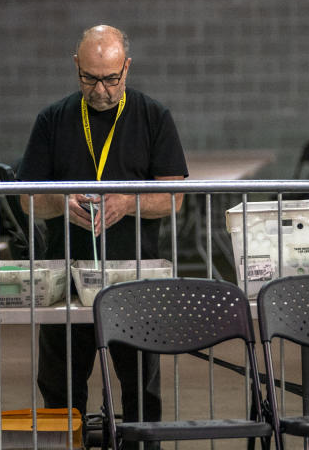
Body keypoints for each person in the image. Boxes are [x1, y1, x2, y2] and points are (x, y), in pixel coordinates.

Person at [17, 24, 188, 435]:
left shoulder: (153, 117)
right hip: (67, 278)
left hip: (134, 278)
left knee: (141, 394)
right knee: (61, 390)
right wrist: (61, 201)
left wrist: (129, 202)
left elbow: (175, 198)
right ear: (76, 66)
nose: (100, 90)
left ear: (127, 68)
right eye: (89, 78)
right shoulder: (53, 120)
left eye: (111, 79)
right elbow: (27, 199)